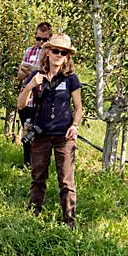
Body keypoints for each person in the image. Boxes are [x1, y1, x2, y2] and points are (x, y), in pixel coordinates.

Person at [17, 33, 82, 228]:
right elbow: (20, 105)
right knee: (38, 177)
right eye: (55, 50)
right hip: (41, 134)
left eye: (63, 52)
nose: (58, 55)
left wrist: (75, 126)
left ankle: (70, 221)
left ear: (67, 56)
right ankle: (33, 214)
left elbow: (78, 108)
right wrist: (29, 86)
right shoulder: (36, 76)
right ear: (48, 51)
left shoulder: (71, 79)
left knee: (66, 181)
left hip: (64, 136)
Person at [17, 22, 53, 166]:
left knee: (40, 134)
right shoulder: (29, 51)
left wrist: (35, 71)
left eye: (44, 40)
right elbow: (20, 75)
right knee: (26, 132)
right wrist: (26, 71)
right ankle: (27, 163)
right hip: (27, 98)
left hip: (42, 100)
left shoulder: (53, 53)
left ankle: (40, 165)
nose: (41, 42)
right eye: (38, 39)